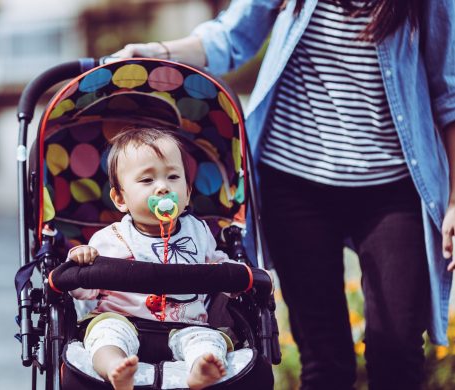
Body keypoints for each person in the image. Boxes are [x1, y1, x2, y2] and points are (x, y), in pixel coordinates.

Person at [113, 0, 455, 389]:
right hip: (294, 185)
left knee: (397, 351)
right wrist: (156, 53)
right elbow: (230, 37)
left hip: (392, 189)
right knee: (325, 360)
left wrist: (454, 201)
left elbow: (449, 93)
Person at [58, 126, 239, 390]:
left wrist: (240, 275)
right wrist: (81, 261)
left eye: (173, 176)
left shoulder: (198, 232)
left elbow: (217, 262)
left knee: (210, 340)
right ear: (120, 198)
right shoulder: (110, 239)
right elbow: (84, 291)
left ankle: (201, 368)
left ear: (188, 193)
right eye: (147, 180)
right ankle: (114, 368)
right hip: (123, 319)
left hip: (186, 324)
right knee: (105, 334)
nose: (163, 187)